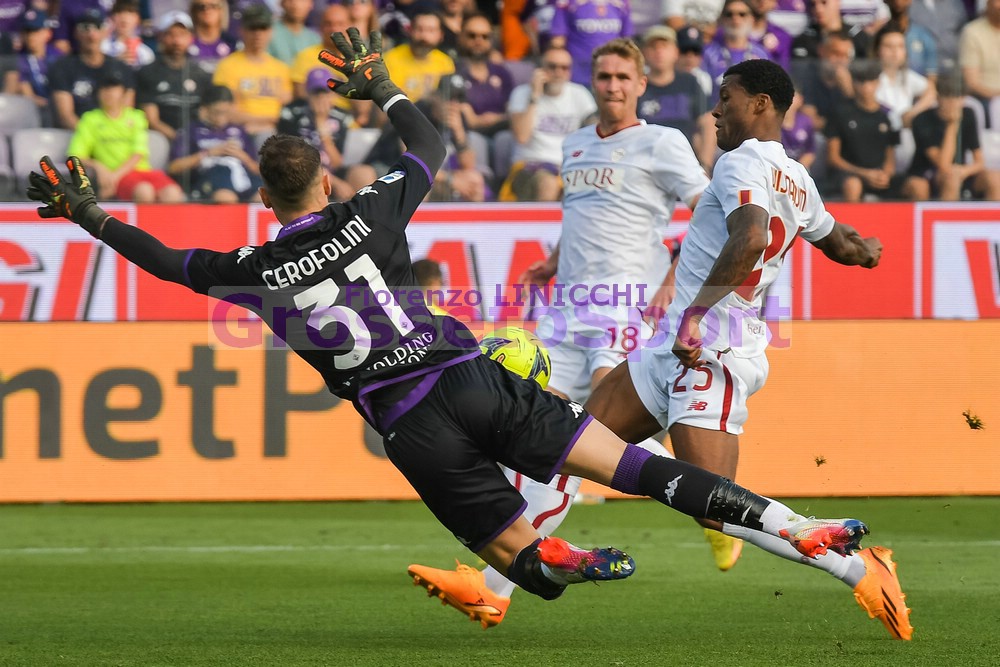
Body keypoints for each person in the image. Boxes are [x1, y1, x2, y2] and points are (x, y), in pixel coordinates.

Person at [26, 29, 907, 639]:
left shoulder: (250, 271)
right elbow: (426, 141)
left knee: (541, 556)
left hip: (418, 419)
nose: (713, 109)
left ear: (263, 200)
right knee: (634, 468)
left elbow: (164, 258)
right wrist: (381, 85)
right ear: (327, 180)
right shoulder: (368, 214)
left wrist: (90, 214)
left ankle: (545, 560)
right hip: (474, 373)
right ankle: (781, 531)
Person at [580, 58, 911, 641]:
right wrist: (867, 251)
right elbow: (838, 242)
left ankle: (857, 566)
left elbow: (752, 235)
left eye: (726, 98)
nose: (715, 111)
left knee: (713, 507)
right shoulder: (797, 178)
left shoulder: (741, 160)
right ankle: (494, 584)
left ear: (760, 104)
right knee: (572, 440)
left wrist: (695, 315)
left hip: (712, 348)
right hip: (672, 349)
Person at [408, 37, 718, 625]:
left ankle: (713, 500)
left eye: (623, 77)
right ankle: (499, 584)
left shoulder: (662, 141)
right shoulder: (574, 143)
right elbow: (582, 218)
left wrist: (674, 277)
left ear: (641, 83)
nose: (613, 86)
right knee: (530, 429)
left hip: (627, 307)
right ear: (591, 82)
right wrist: (552, 261)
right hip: (567, 310)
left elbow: (709, 211)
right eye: (604, 76)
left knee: (592, 432)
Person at [68, 70, 185, 202]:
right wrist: (98, 166)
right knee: (144, 192)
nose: (109, 93)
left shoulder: (137, 117)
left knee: (173, 193)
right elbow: (75, 155)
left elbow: (138, 153)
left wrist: (114, 178)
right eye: (105, 89)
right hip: (118, 176)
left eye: (113, 89)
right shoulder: (89, 119)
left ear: (124, 93)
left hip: (139, 172)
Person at [499, 46, 596, 201]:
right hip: (529, 166)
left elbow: (596, 132)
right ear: (540, 69)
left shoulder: (580, 94)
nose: (558, 72)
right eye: (552, 66)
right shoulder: (522, 93)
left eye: (564, 68)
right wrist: (534, 96)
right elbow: (522, 137)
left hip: (569, 167)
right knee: (548, 184)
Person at [276, 67, 378, 200]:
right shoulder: (291, 115)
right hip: (302, 172)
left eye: (325, 92)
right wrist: (333, 181)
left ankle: (366, 212)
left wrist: (321, 125)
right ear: (307, 94)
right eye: (316, 93)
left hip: (335, 170)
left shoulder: (343, 117)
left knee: (364, 173)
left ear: (333, 94)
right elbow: (291, 159)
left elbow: (338, 163)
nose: (321, 98)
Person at [902, 75, 1000, 200]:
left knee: (994, 178)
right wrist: (952, 125)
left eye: (957, 97)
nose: (952, 102)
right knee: (950, 177)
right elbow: (943, 164)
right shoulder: (922, 120)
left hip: (960, 172)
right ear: (938, 97)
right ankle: (947, 213)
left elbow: (979, 161)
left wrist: (964, 171)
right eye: (947, 97)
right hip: (927, 173)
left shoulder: (968, 114)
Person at [637, 25, 715, 169]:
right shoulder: (636, 86)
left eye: (664, 46)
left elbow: (708, 123)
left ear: (675, 52)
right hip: (644, 163)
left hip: (684, 163)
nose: (659, 52)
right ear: (644, 53)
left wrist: (705, 165)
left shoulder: (690, 82)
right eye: (653, 47)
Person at [167, 84, 262, 202]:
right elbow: (174, 167)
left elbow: (257, 169)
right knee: (226, 197)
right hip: (211, 178)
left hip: (242, 176)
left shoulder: (239, 131)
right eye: (216, 112)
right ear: (205, 109)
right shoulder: (191, 130)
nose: (221, 117)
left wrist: (241, 156)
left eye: (226, 112)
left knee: (262, 197)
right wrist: (208, 153)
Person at [49, 8, 137, 130]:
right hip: (76, 136)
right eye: (85, 28)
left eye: (98, 27)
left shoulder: (121, 68)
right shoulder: (62, 67)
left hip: (115, 135)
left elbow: (126, 112)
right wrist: (93, 137)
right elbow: (66, 117)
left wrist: (110, 136)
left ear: (106, 32)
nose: (92, 35)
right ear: (76, 33)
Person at [211, 3, 293, 135]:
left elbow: (288, 108)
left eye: (263, 28)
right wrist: (265, 121)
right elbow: (223, 110)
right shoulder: (227, 65)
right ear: (241, 30)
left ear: (271, 31)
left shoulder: (281, 68)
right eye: (252, 28)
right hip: (238, 130)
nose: (258, 34)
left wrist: (266, 124)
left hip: (276, 131)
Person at [825, 59, 900, 200]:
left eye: (871, 82)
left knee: (916, 186)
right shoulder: (840, 113)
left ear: (878, 83)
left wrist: (885, 174)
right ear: (854, 83)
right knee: (853, 185)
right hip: (848, 174)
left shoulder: (889, 115)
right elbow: (833, 158)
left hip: (879, 175)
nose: (866, 87)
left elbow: (890, 155)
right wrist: (864, 173)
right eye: (861, 82)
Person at [136, 11, 213, 143]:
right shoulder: (147, 73)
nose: (177, 41)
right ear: (160, 37)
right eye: (170, 34)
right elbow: (152, 120)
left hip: (197, 139)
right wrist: (180, 140)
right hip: (163, 138)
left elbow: (208, 114)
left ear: (191, 38)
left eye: (182, 34)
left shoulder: (202, 75)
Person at [548, 0, 634, 87]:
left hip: (610, 73)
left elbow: (626, 40)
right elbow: (558, 41)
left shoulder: (622, 2)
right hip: (578, 75)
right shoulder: (566, 2)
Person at [102, 0, 156, 68]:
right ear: (112, 18)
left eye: (130, 12)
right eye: (120, 12)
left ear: (137, 19)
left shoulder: (146, 53)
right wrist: (115, 62)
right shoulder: (103, 48)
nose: (124, 18)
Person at [267, 0, 320, 65]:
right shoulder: (267, 32)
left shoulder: (315, 39)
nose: (296, 4)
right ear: (281, 3)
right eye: (290, 0)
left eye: (302, 0)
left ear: (311, 4)